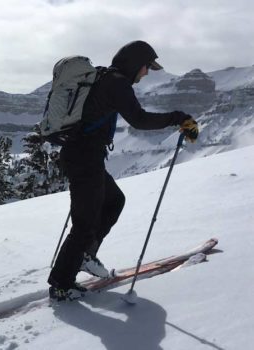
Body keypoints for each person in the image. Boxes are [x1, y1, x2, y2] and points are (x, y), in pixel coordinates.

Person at [47, 40, 199, 301]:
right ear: (135, 64)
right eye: (146, 67)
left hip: (84, 156)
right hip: (84, 158)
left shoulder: (106, 77)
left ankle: (85, 254)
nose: (146, 73)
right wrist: (178, 117)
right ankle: (61, 283)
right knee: (83, 223)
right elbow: (139, 120)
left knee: (114, 201)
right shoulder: (116, 82)